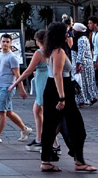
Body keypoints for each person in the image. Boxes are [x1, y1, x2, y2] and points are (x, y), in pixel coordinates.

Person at [39, 22, 96, 173]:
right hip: (60, 90)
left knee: (52, 126)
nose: (68, 34)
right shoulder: (59, 51)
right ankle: (78, 161)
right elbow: (57, 74)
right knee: (77, 127)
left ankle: (47, 160)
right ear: (60, 34)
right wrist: (62, 98)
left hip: (53, 89)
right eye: (66, 32)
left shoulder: (51, 50)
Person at [9, 30, 58, 152]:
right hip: (48, 79)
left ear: (37, 41)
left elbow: (28, 71)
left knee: (45, 113)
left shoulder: (39, 53)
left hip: (42, 82)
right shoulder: (52, 50)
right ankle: (40, 139)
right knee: (38, 110)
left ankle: (53, 144)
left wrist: (15, 82)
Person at [70, 23, 98, 107]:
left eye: (74, 30)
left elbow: (81, 53)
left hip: (82, 66)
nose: (72, 31)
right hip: (82, 65)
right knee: (85, 83)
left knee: (80, 83)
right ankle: (89, 98)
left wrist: (78, 65)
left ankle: (83, 100)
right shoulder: (81, 38)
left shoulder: (81, 39)